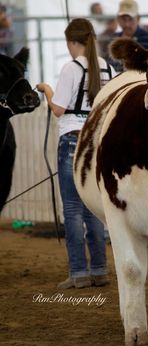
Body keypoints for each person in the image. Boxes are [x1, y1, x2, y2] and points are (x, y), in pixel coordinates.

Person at [37, 18, 116, 289]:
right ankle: (99, 269)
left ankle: (79, 273)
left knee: (72, 210)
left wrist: (46, 89)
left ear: (72, 42)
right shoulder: (108, 68)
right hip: (96, 140)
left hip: (72, 138)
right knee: (93, 208)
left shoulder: (70, 68)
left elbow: (58, 109)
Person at [109, 0, 148, 72]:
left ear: (138, 19)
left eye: (131, 19)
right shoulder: (113, 38)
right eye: (123, 19)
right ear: (118, 19)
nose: (127, 24)